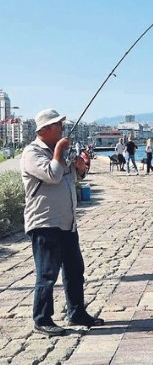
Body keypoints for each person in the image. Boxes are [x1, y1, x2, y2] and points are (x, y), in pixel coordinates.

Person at [20, 108, 104, 337]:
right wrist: (58, 151)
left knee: (75, 270)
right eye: (58, 125)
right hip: (45, 223)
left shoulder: (57, 152)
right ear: (45, 129)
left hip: (67, 223)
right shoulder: (32, 153)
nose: (62, 129)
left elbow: (72, 178)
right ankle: (42, 318)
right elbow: (53, 175)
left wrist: (79, 168)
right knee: (47, 273)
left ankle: (76, 312)